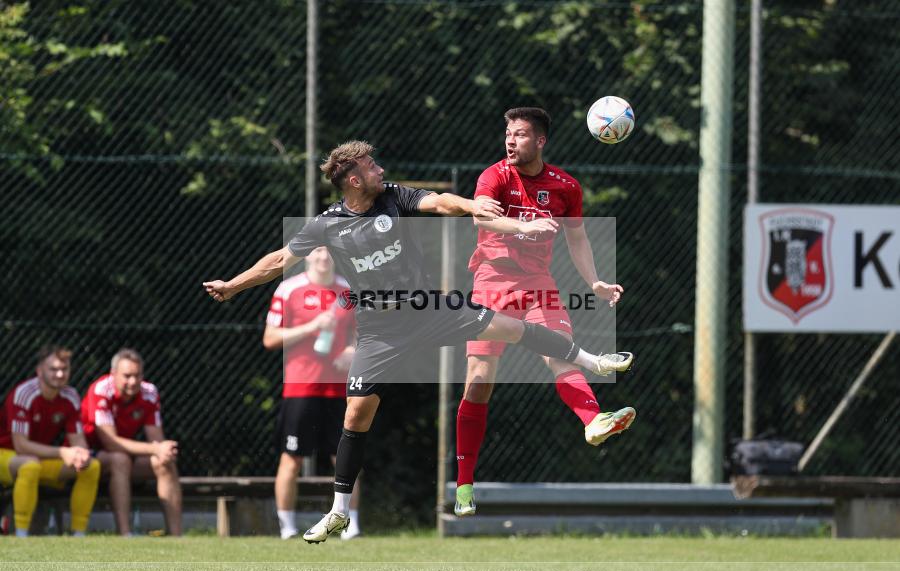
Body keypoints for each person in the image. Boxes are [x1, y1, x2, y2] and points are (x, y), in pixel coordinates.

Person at [203, 140, 632, 543]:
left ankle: (593, 362)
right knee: (356, 414)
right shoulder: (327, 225)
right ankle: (338, 511)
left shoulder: (392, 196)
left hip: (428, 310)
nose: (380, 169)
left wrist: (471, 204)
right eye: (371, 166)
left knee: (512, 327)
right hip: (378, 332)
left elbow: (440, 202)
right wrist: (234, 285)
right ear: (353, 179)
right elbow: (279, 260)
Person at [454, 107, 637, 517]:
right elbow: (480, 213)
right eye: (508, 133)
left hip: (538, 285)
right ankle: (465, 485)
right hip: (492, 281)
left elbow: (578, 238)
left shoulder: (565, 186)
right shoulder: (495, 175)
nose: (510, 140)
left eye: (519, 134)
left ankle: (593, 421)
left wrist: (594, 283)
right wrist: (523, 228)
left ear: (540, 141)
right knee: (479, 382)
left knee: (560, 352)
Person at [263, 246, 361, 540]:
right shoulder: (288, 289)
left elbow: (364, 335)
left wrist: (351, 350)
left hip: (339, 388)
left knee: (345, 457)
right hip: (300, 387)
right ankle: (287, 527)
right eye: (317, 250)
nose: (323, 257)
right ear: (306, 255)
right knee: (291, 459)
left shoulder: (349, 292)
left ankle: (350, 524)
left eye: (329, 251)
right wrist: (311, 327)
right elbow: (269, 338)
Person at [0, 345, 101, 537]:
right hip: (6, 455)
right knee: (29, 466)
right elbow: (21, 445)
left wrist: (81, 454)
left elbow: (79, 441)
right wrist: (63, 452)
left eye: (65, 369)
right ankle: (21, 534)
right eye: (53, 369)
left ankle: (79, 535)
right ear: (39, 371)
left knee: (92, 466)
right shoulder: (24, 394)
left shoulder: (70, 396)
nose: (60, 374)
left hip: (37, 458)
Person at [81, 348, 182, 536]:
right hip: (90, 459)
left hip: (126, 458)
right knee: (120, 459)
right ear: (113, 374)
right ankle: (125, 534)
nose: (133, 382)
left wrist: (163, 450)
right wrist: (155, 448)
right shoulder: (101, 390)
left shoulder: (149, 392)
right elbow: (110, 443)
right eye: (127, 376)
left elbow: (156, 439)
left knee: (164, 461)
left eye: (137, 376)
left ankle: (176, 536)